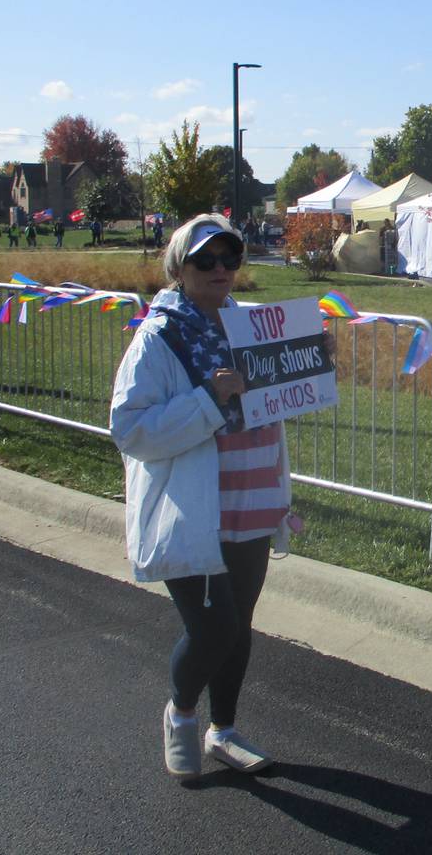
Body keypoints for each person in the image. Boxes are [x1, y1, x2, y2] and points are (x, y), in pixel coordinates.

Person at [110, 215, 293, 779]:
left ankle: (225, 730)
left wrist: (305, 357)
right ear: (179, 268)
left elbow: (276, 405)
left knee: (241, 624)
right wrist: (209, 400)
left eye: (229, 258)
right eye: (205, 261)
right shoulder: (159, 337)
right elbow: (131, 428)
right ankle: (181, 713)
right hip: (196, 507)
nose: (220, 270)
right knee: (215, 629)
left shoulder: (257, 328)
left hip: (253, 497)